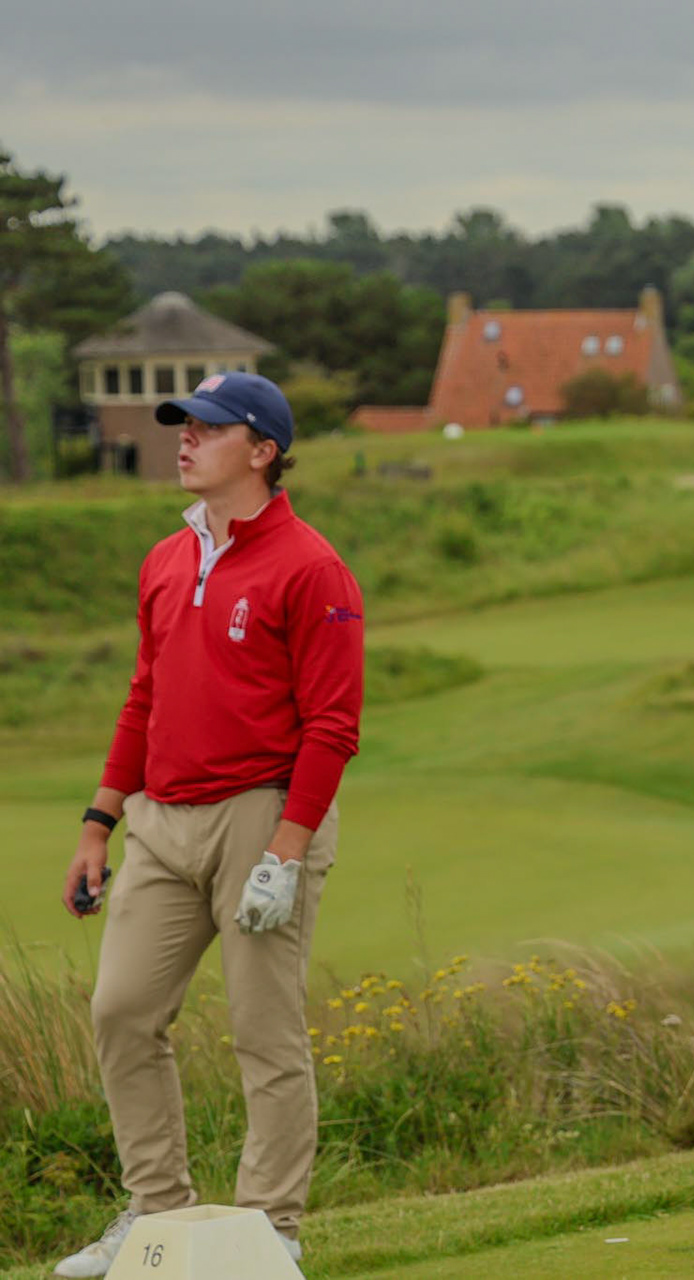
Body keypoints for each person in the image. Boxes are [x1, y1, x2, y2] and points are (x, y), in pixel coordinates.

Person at [54, 372, 365, 1278]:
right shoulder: (165, 559)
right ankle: (158, 1215)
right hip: (162, 820)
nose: (184, 439)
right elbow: (145, 697)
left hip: (261, 817)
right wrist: (98, 823)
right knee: (120, 1011)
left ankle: (272, 1234)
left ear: (262, 451)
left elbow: (334, 725)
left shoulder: (312, 567)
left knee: (263, 1029)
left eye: (208, 427)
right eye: (181, 425)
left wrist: (287, 850)